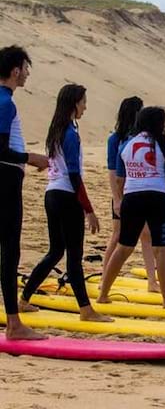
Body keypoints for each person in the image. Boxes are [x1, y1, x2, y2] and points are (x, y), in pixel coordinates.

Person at [21, 84, 112, 322]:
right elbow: (74, 176)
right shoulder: (70, 134)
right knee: (73, 255)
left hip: (52, 194)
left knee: (55, 251)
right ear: (74, 103)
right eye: (83, 101)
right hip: (66, 196)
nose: (85, 106)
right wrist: (89, 209)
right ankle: (86, 310)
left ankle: (24, 299)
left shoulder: (58, 129)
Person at [97, 107, 165, 308]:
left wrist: (118, 201)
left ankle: (103, 294)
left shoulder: (126, 145)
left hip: (132, 197)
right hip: (158, 198)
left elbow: (119, 180)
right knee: (161, 250)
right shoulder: (163, 145)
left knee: (124, 247)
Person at [0, 45, 49, 340]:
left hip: (5, 179)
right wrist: (31, 158)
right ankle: (14, 325)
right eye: (26, 68)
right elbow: (0, 149)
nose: (28, 74)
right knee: (9, 250)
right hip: (5, 182)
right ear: (16, 70)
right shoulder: (6, 103)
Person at [105, 97, 158, 292]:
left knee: (146, 235)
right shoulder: (116, 139)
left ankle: (152, 281)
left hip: (138, 191)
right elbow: (113, 172)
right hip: (123, 194)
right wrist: (117, 199)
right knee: (118, 235)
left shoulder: (141, 138)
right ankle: (105, 277)